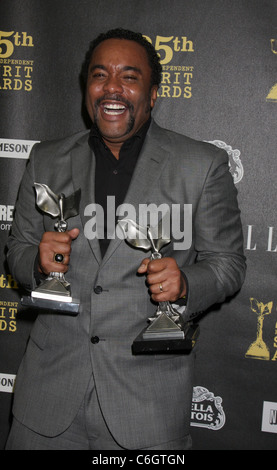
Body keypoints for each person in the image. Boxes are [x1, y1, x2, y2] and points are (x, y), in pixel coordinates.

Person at [5, 28, 246, 450]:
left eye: (129, 77)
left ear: (153, 93)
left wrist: (187, 283)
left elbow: (227, 263)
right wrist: (37, 262)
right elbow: (18, 251)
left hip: (146, 407)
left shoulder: (201, 165)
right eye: (100, 75)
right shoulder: (46, 158)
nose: (111, 88)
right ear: (87, 89)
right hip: (45, 401)